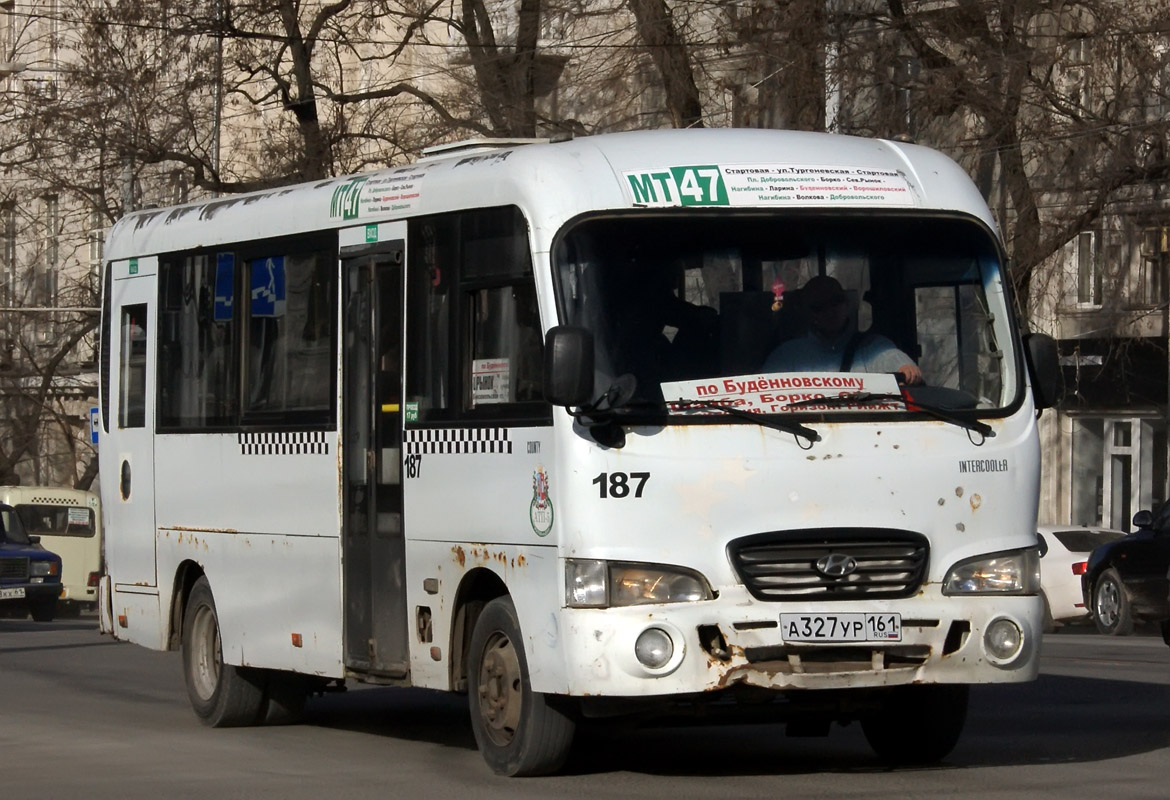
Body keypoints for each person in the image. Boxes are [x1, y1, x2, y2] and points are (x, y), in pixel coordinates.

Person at [761, 275, 923, 384]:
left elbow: (897, 363)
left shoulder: (873, 347)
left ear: (847, 304)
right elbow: (761, 391)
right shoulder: (786, 355)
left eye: (836, 302)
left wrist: (906, 369)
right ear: (809, 314)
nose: (830, 311)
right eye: (819, 307)